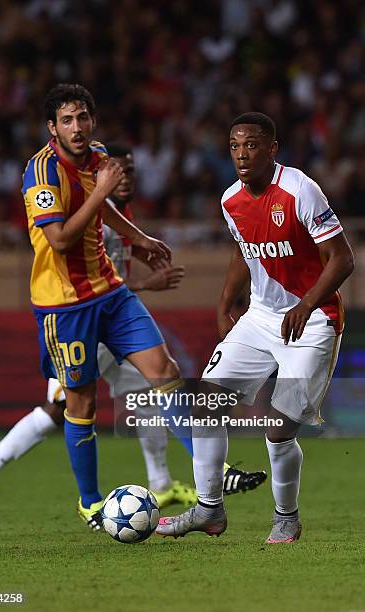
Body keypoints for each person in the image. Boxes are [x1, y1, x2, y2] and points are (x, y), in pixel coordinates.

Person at [0, 143, 267, 523]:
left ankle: (172, 480)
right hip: (74, 314)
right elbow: (70, 253)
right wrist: (148, 284)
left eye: (128, 171)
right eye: (116, 170)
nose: (122, 177)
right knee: (66, 409)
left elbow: (112, 267)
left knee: (158, 383)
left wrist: (140, 248)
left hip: (110, 307)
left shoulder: (120, 214)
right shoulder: (80, 199)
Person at [156, 112, 354, 543]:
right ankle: (209, 510)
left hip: (315, 320)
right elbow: (244, 247)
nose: (242, 154)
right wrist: (227, 298)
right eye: (234, 145)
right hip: (261, 317)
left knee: (278, 429)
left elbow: (343, 259)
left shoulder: (300, 190)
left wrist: (305, 305)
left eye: (251, 145)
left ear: (272, 149)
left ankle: (286, 517)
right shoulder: (230, 199)